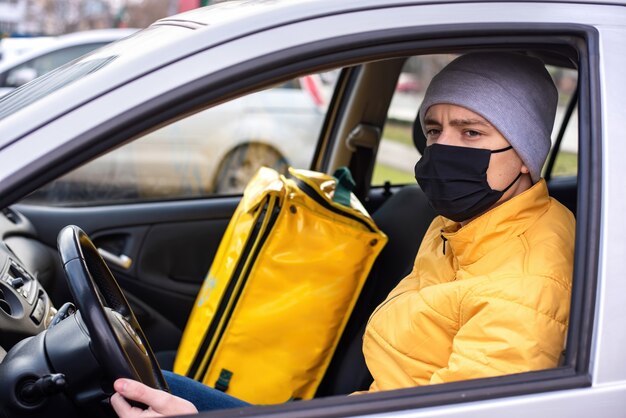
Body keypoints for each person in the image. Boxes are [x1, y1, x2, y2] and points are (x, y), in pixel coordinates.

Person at [110, 51, 575, 417]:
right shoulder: (466, 225)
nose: (443, 149)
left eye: (471, 132)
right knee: (141, 383)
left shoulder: (527, 288)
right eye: (434, 129)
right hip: (361, 404)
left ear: (526, 156)